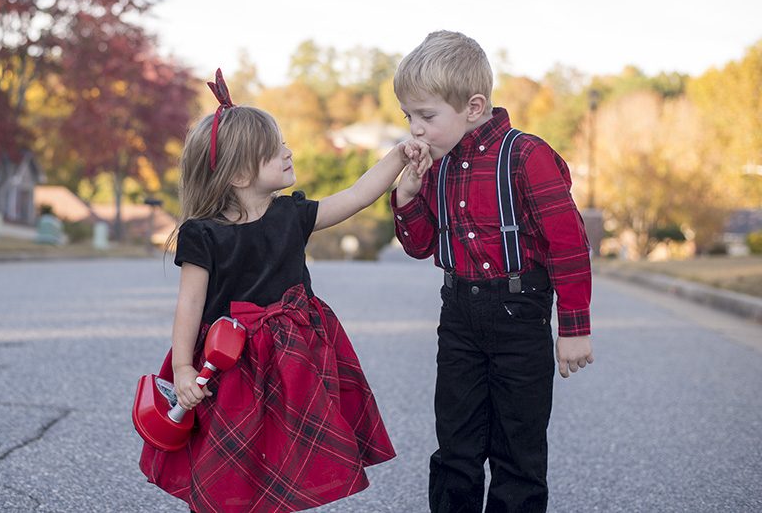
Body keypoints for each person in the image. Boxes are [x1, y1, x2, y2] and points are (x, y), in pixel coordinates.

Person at [139, 70, 427, 513]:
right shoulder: (203, 234)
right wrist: (181, 367)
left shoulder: (291, 215)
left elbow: (356, 195)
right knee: (233, 453)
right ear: (237, 174)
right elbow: (190, 303)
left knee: (289, 450)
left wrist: (397, 157)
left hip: (295, 359)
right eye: (274, 151)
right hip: (230, 362)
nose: (288, 151)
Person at [390, 30, 594, 513]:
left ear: (474, 107)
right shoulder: (436, 167)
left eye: (427, 116)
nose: (415, 129)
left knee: (517, 453)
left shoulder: (525, 156)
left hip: (519, 317)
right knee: (456, 448)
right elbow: (420, 245)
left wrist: (574, 328)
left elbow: (568, 245)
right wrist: (407, 195)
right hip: (458, 316)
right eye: (408, 117)